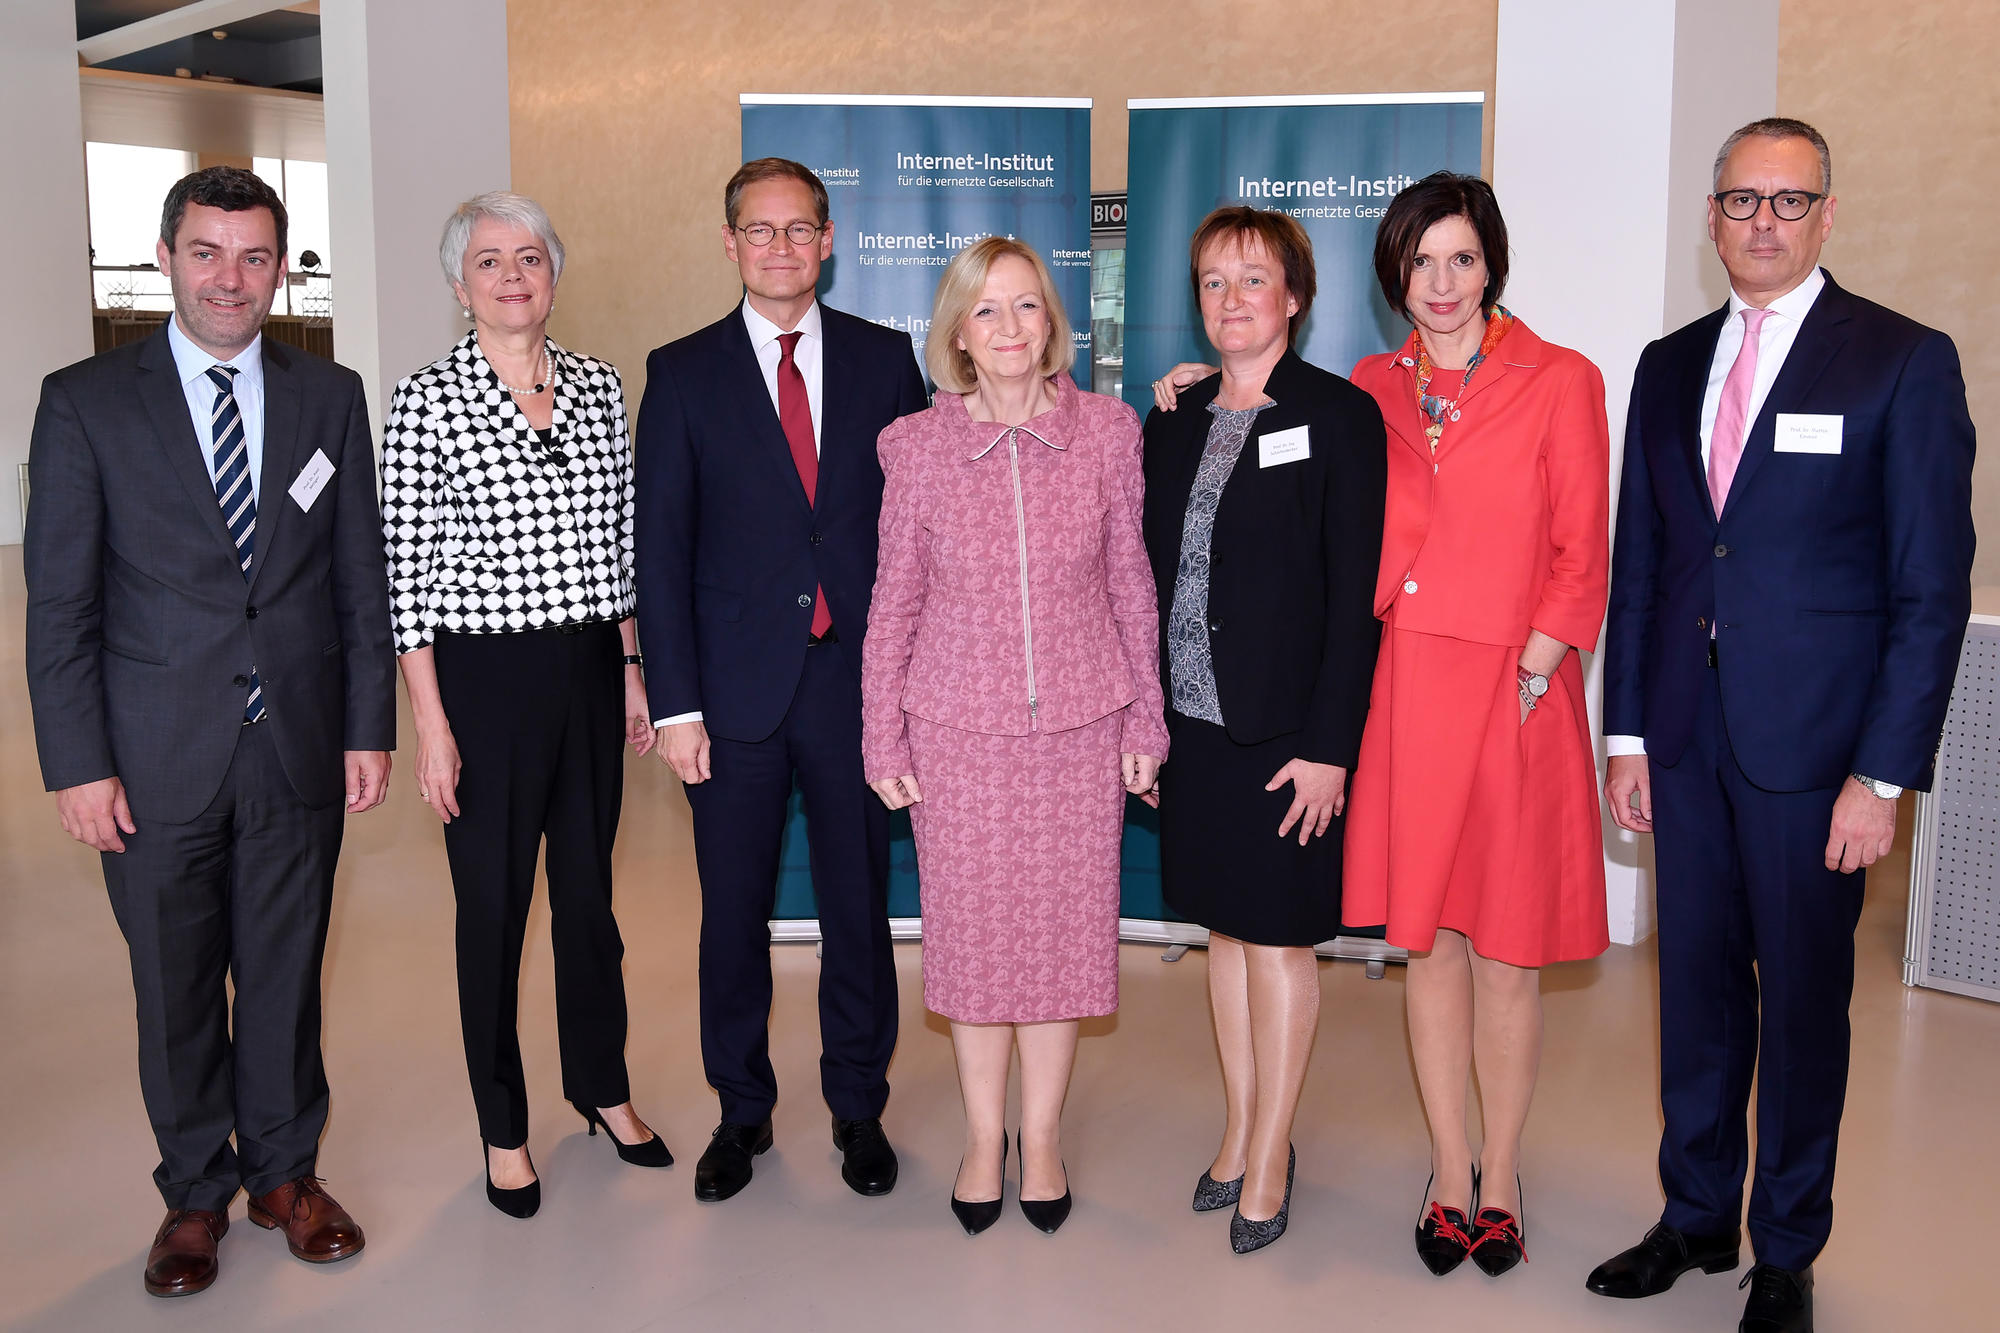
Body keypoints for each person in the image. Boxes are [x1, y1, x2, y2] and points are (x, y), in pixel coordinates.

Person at [1592, 119, 1974, 1333]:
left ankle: (1787, 1248)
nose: (1761, 222)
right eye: (1739, 200)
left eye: (1787, 201)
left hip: (1816, 757)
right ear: (1709, 217)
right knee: (1691, 992)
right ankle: (1696, 1213)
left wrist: (1882, 774)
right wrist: (1627, 738)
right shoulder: (1665, 364)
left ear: (1824, 215)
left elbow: (1929, 592)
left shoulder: (1899, 362)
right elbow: (1642, 563)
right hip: (1686, 746)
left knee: (1804, 1002)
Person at [23, 166, 394, 1297]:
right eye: (205, 252)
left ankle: (285, 1173)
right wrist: (77, 762)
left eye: (253, 256)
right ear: (167, 256)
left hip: (296, 745)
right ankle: (194, 1191)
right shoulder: (86, 400)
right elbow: (60, 605)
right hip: (152, 755)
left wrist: (367, 726)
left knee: (285, 971)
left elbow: (356, 583)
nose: (229, 278)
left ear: (279, 267)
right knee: (175, 984)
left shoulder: (328, 397)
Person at [633, 158, 929, 1203]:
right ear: (729, 243)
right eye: (758, 232)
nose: (779, 248)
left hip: (855, 689)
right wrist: (674, 705)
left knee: (859, 907)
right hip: (730, 699)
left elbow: (923, 527)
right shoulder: (681, 373)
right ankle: (741, 1111)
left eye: (798, 230)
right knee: (733, 916)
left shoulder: (887, 363)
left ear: (829, 237)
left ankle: (858, 1105)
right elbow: (658, 553)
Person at [860, 237, 1168, 1237]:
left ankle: (1041, 1138)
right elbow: (892, 603)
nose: (1007, 328)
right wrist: (882, 738)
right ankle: (982, 1138)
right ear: (956, 332)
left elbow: (1130, 582)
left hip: (1081, 730)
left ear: (1052, 324)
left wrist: (1145, 716)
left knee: (1061, 946)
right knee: (978, 948)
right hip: (956, 735)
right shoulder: (913, 447)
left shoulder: (1108, 433)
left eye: (1026, 307)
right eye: (985, 311)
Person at [380, 191, 669, 1220]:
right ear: (459, 285)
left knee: (589, 903)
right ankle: (503, 1125)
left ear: (554, 274)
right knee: (493, 911)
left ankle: (603, 1088)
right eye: (490, 261)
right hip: (482, 681)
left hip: (591, 666)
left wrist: (633, 668)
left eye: (530, 257)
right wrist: (433, 724)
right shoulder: (425, 402)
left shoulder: (595, 386)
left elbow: (618, 542)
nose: (513, 275)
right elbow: (404, 580)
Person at [1344, 173, 1609, 1278]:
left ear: (1490, 262)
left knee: (1505, 949)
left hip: (1515, 691)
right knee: (1430, 943)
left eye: (1459, 259)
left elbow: (1580, 544)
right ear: (1394, 276)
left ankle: (1500, 1171)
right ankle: (1446, 1168)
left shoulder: (1559, 379)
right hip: (1405, 690)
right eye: (1419, 263)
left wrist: (1537, 666)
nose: (1440, 284)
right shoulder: (1366, 386)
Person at [1141, 207, 1387, 1254]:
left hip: (1288, 737)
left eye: (1251, 280)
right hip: (1195, 726)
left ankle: (1274, 1150)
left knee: (1280, 942)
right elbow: (1145, 575)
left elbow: (1351, 595)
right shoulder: (1176, 416)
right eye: (1210, 282)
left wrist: (1331, 744)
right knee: (1227, 939)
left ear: (1293, 295)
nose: (1229, 300)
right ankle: (1239, 1129)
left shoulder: (1336, 416)